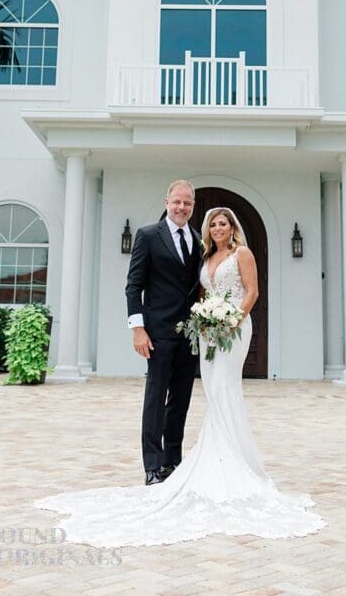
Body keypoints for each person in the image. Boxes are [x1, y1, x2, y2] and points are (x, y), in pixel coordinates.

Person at [33, 204, 325, 546]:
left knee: (223, 390)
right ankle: (163, 466)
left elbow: (252, 293)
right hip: (197, 332)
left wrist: (229, 320)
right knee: (204, 394)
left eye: (223, 223)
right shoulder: (200, 254)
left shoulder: (242, 253)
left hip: (231, 331)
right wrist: (162, 325)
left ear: (232, 227)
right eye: (213, 223)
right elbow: (163, 289)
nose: (218, 228)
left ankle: (227, 463)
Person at [125, 179, 202, 484]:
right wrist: (138, 329)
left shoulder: (198, 239)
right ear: (167, 202)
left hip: (189, 336)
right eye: (177, 202)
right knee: (156, 399)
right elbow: (133, 286)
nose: (182, 207)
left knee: (180, 399)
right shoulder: (147, 236)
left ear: (193, 207)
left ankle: (173, 460)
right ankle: (153, 466)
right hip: (156, 333)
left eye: (187, 203)